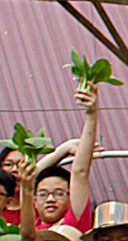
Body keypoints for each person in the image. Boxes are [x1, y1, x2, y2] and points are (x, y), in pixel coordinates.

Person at [26, 84, 101, 232]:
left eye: (59, 193)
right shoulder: (32, 224)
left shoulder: (73, 223)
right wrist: (64, 149)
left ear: (71, 197)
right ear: (34, 201)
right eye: (43, 194)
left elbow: (80, 172)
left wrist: (92, 114)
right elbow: (30, 176)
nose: (50, 200)